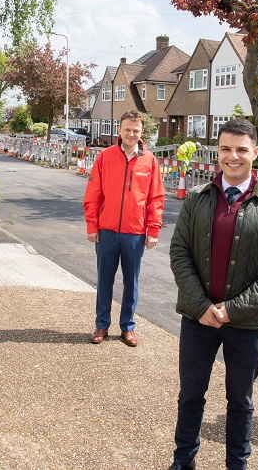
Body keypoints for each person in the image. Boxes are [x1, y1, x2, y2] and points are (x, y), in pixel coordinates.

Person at [167, 118, 258, 470]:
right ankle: (183, 460)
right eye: (225, 149)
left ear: (255, 152)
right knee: (191, 395)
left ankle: (237, 463)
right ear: (217, 152)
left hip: (247, 324)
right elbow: (180, 254)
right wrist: (202, 306)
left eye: (241, 149)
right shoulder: (197, 199)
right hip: (198, 319)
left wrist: (232, 310)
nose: (233, 156)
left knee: (241, 400)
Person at [83, 109, 165, 347]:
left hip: (135, 233)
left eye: (136, 130)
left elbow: (156, 198)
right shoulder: (105, 157)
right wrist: (92, 224)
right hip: (106, 231)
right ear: (119, 129)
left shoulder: (149, 161)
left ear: (142, 133)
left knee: (132, 281)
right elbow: (93, 193)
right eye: (127, 129)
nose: (131, 134)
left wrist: (154, 229)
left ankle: (127, 327)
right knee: (104, 279)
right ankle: (101, 325)